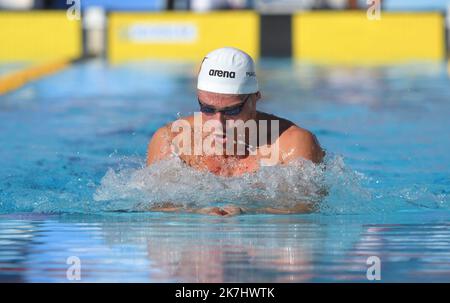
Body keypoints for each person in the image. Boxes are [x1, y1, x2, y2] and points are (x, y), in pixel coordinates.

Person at [146, 47, 325, 216]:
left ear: (255, 98)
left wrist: (251, 212)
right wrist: (192, 213)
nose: (218, 123)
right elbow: (153, 205)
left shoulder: (292, 144)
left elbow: (306, 207)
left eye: (231, 111)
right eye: (207, 109)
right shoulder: (171, 141)